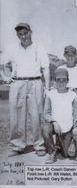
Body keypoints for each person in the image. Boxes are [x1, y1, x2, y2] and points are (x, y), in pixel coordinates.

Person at [0, 23, 50, 157]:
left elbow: (45, 68)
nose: (23, 36)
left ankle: (39, 145)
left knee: (37, 115)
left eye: (25, 33)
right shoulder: (12, 48)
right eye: (20, 34)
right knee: (16, 116)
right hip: (18, 83)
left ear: (30, 32)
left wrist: (48, 86)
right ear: (17, 36)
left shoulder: (39, 48)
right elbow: (2, 64)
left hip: (36, 82)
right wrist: (6, 78)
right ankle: (17, 146)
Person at [42, 68, 77, 164]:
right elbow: (46, 114)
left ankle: (59, 144)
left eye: (64, 80)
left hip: (68, 127)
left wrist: (75, 127)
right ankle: (51, 151)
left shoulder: (73, 95)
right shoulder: (50, 94)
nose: (61, 83)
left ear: (68, 81)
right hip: (55, 126)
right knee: (45, 128)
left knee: (66, 154)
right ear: (54, 81)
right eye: (58, 80)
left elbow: (76, 114)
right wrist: (54, 121)